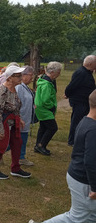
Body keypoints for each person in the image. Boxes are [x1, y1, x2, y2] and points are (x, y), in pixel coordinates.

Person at [29, 90, 96, 223]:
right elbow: (90, 161)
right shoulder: (93, 129)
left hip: (78, 175)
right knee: (76, 217)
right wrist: (94, 187)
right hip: (83, 180)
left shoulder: (85, 121)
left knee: (91, 216)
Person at [0, 65, 31, 180]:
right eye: (18, 76)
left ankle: (16, 169)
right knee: (0, 145)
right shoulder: (2, 90)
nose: (21, 78)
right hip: (3, 121)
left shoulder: (14, 88)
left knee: (17, 142)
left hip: (12, 121)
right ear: (10, 77)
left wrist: (19, 118)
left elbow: (15, 106)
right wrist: (0, 129)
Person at [64, 55, 96, 146]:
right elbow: (72, 86)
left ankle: (80, 139)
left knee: (82, 121)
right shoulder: (80, 73)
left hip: (85, 102)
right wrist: (67, 94)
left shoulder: (88, 73)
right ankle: (72, 141)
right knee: (76, 121)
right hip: (79, 102)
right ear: (90, 63)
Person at [34, 62, 62, 156]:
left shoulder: (44, 80)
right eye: (58, 72)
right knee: (53, 127)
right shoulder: (46, 84)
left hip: (40, 108)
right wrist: (52, 107)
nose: (59, 74)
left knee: (43, 127)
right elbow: (45, 100)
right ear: (53, 72)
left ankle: (38, 145)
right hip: (45, 109)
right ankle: (41, 145)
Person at [15, 66, 35, 166]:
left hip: (25, 119)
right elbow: (16, 103)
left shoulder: (25, 87)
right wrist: (18, 118)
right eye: (30, 75)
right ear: (23, 75)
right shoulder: (19, 87)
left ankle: (21, 156)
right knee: (18, 140)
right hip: (21, 119)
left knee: (22, 139)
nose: (32, 78)